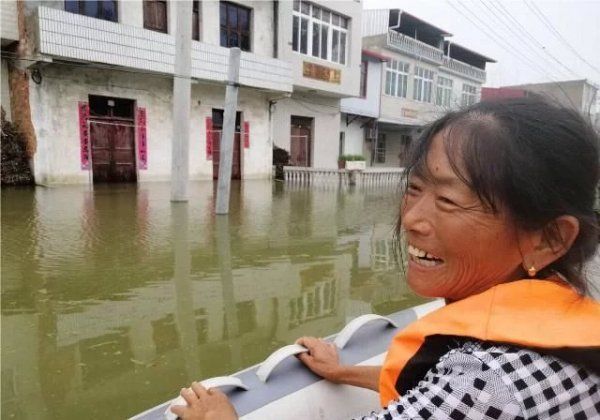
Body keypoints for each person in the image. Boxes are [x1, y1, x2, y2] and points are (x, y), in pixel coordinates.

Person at [171, 97, 600, 419]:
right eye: (414, 188)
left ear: (549, 239)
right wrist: (342, 373)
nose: (412, 218)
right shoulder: (556, 327)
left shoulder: (488, 380)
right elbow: (433, 391)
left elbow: (466, 392)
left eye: (448, 200)